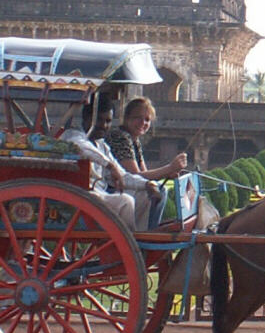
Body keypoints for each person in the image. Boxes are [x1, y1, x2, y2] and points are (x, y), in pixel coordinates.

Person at [61, 100, 157, 235]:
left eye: (108, 121)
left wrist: (147, 184)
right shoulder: (72, 135)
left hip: (100, 194)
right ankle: (128, 246)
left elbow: (123, 175)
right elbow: (82, 147)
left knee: (145, 194)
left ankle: (139, 239)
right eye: (100, 120)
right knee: (125, 201)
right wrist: (109, 165)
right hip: (81, 195)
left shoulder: (102, 146)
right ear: (88, 119)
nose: (104, 126)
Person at [105, 97, 187, 224]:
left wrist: (167, 173)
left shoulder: (134, 140)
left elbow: (145, 175)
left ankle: (151, 229)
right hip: (113, 188)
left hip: (127, 185)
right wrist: (170, 167)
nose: (143, 123)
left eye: (147, 120)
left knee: (159, 188)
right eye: (138, 118)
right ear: (127, 118)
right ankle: (147, 232)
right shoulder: (120, 137)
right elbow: (134, 176)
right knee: (155, 191)